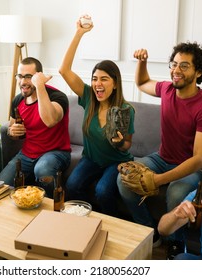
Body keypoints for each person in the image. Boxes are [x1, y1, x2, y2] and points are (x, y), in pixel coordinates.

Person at [117, 42, 202, 257]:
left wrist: (159, 179)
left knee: (176, 193)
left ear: (198, 72)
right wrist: (142, 62)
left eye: (184, 66)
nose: (176, 70)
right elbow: (142, 82)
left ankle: (176, 243)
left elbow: (200, 159)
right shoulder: (166, 89)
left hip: (192, 168)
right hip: (161, 157)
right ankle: (150, 232)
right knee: (124, 180)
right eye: (174, 64)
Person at [59, 16, 135, 217]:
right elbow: (63, 70)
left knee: (103, 191)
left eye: (104, 79)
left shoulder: (126, 109)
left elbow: (127, 145)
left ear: (115, 83)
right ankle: (84, 220)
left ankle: (112, 224)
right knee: (72, 186)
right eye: (94, 79)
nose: (97, 84)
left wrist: (119, 143)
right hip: (91, 159)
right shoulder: (88, 97)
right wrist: (79, 33)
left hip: (115, 161)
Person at [0, 57, 71, 197]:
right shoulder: (18, 100)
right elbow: (12, 129)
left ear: (39, 77)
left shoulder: (57, 97)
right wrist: (12, 131)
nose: (23, 82)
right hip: (26, 154)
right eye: (20, 76)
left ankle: (55, 209)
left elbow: (50, 120)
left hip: (56, 153)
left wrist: (40, 86)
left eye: (29, 77)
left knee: (42, 169)